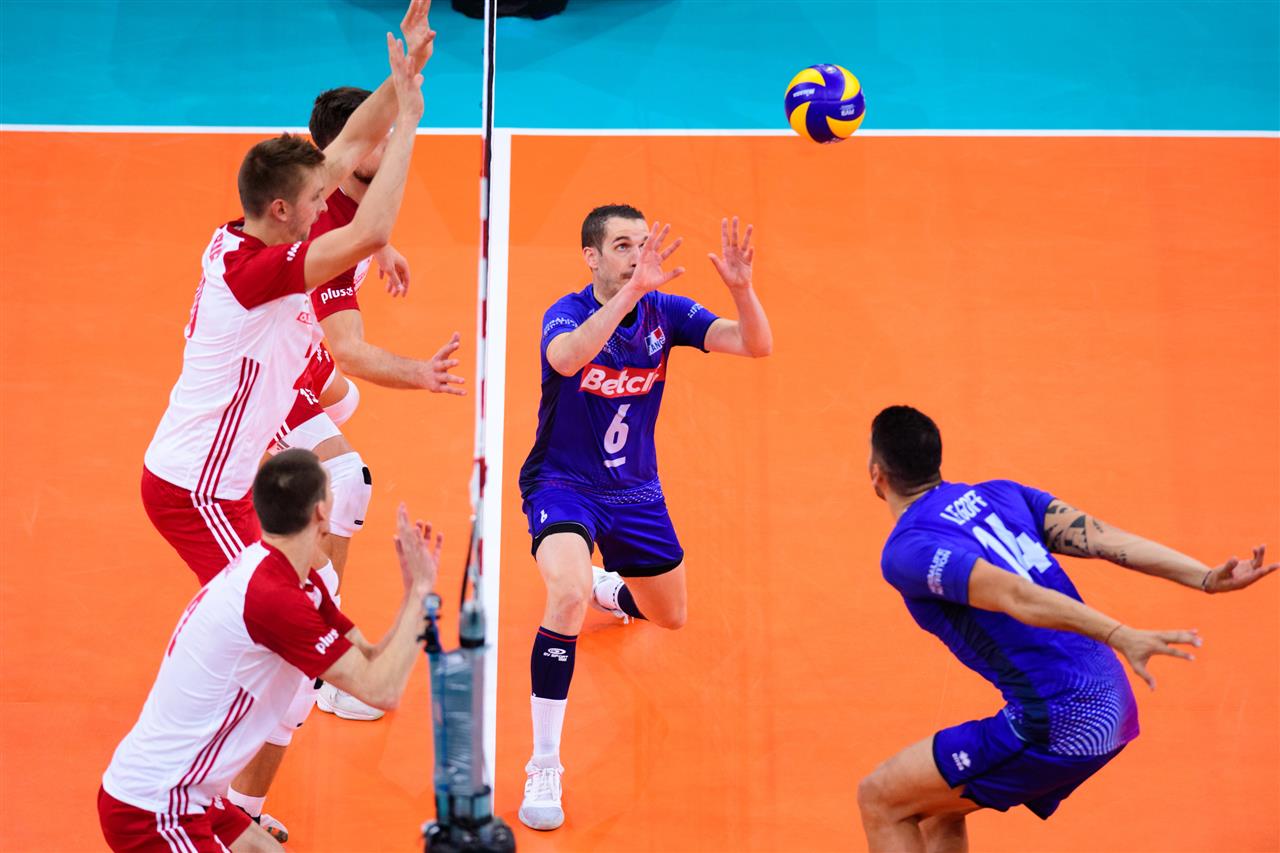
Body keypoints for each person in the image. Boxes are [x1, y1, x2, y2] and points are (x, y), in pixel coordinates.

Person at [139, 9, 432, 843]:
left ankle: (233, 797)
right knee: (282, 634)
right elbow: (370, 227)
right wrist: (411, 122)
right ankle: (212, 806)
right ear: (281, 209)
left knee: (282, 632)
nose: (325, 204)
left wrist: (401, 78)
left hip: (225, 482)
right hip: (195, 491)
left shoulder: (247, 231)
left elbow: (341, 154)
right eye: (313, 202)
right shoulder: (266, 272)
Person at [858, 405, 1278, 852]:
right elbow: (1102, 537)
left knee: (880, 798)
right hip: (1110, 698)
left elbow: (1015, 595)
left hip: (1064, 719)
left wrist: (1118, 633)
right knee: (939, 802)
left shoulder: (909, 550)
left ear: (876, 473)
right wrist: (1204, 576)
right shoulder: (1002, 494)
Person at [224, 81, 467, 836]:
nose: (388, 154)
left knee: (346, 411)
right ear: (343, 152)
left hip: (299, 359)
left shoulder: (345, 187)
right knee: (347, 480)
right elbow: (350, 348)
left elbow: (361, 218)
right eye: (377, 144)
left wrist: (383, 244)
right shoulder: (320, 231)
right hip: (272, 378)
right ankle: (322, 649)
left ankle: (315, 617)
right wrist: (421, 373)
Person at [515, 207, 773, 830]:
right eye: (622, 246)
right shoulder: (567, 312)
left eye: (641, 243)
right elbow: (567, 359)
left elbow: (755, 344)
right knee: (566, 593)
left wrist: (742, 288)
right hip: (563, 484)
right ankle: (544, 763)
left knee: (671, 615)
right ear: (592, 256)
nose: (637, 255)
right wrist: (630, 293)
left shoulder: (667, 314)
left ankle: (608, 588)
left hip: (635, 492)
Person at [99, 450, 443, 852]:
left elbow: (369, 658)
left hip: (195, 794)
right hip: (156, 807)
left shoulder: (295, 578)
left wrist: (410, 596)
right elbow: (381, 690)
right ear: (321, 513)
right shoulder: (274, 598)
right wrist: (422, 595)